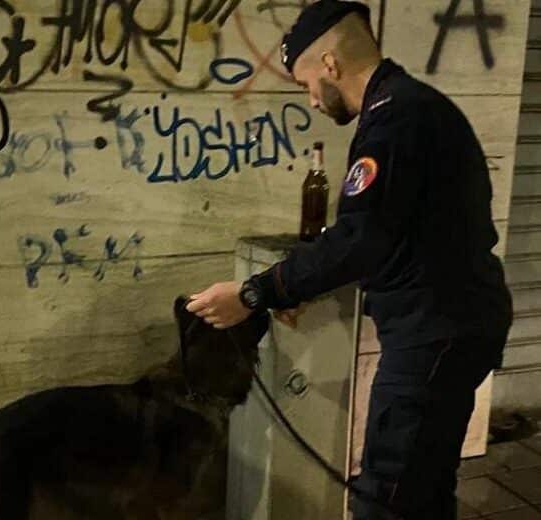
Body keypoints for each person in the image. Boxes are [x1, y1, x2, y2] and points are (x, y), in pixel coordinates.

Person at [185, 1, 513, 518]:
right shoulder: (408, 107)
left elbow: (360, 239)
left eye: (305, 83)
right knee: (422, 487)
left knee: (387, 496)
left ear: (331, 65)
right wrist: (299, 290)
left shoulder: (395, 120)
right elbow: (406, 237)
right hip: (452, 325)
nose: (311, 100)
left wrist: (255, 293)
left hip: (434, 334)